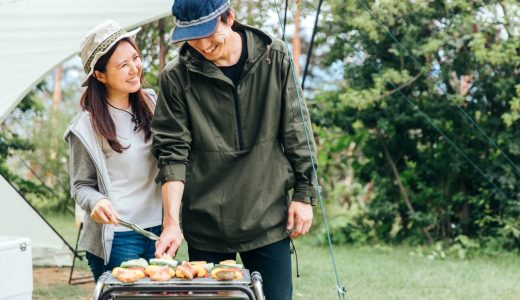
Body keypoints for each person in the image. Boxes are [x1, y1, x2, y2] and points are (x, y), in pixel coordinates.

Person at [151, 0, 318, 298]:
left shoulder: (275, 56)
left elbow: (297, 129)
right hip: (205, 223)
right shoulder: (175, 78)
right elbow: (172, 154)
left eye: (207, 32)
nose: (202, 44)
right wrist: (171, 224)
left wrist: (305, 194)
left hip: (267, 217)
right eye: (192, 36)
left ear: (229, 17)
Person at [64, 20, 162, 281]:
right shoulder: (86, 127)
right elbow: (80, 185)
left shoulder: (154, 103)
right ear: (100, 75)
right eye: (123, 65)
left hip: (159, 232)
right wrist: (97, 201)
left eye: (135, 58)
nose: (134, 70)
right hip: (118, 236)